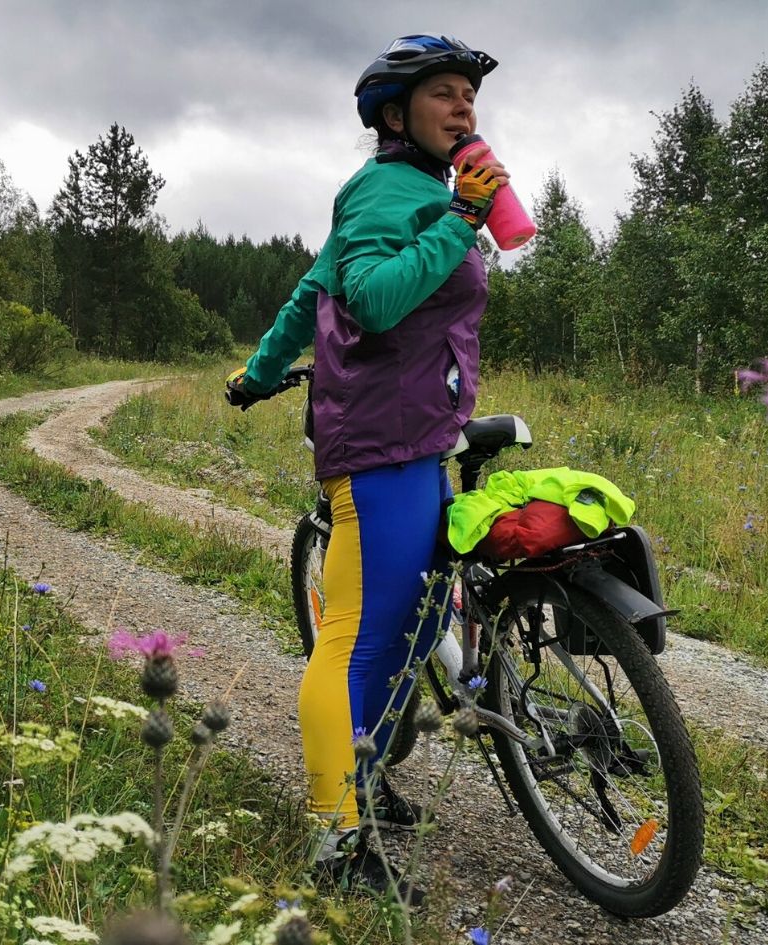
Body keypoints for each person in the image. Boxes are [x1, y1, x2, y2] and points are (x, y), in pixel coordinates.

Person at [224, 34, 506, 898]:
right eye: (444, 94)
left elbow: (311, 296)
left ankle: (365, 767)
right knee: (353, 637)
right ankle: (334, 844)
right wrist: (461, 221)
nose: (464, 107)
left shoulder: (419, 189)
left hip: (416, 437)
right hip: (378, 447)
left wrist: (258, 376)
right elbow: (375, 301)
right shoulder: (386, 188)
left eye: (469, 95)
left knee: (418, 623)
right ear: (395, 114)